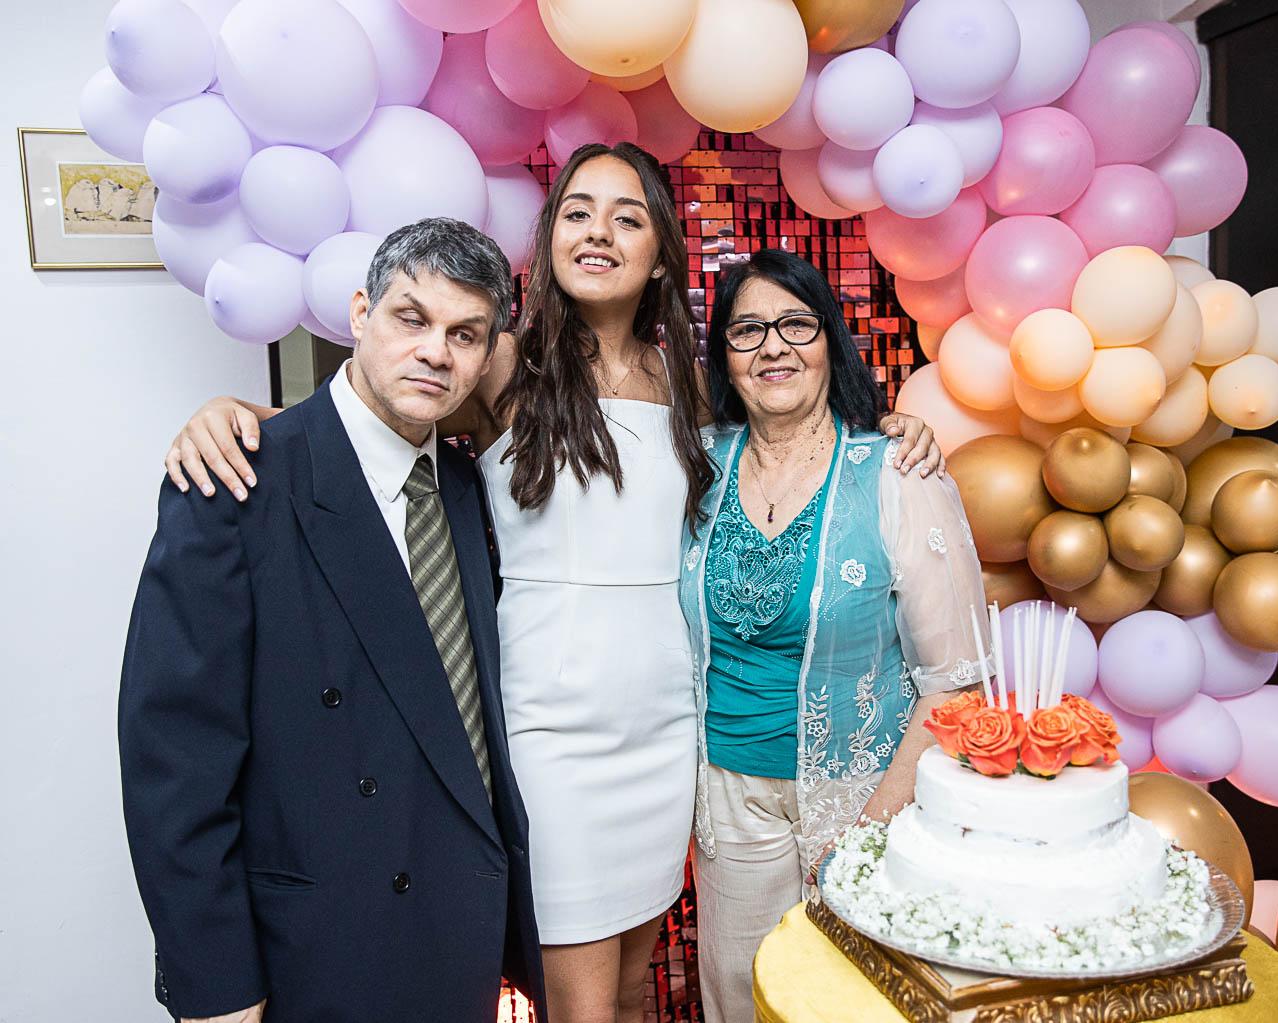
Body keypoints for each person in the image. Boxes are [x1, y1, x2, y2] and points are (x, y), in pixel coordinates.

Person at [160, 143, 944, 1023]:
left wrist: (894, 426)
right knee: (579, 1006)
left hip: (665, 726)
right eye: (577, 211)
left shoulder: (685, 382)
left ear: (659, 254)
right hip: (551, 733)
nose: (597, 232)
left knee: (634, 987)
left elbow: (785, 434)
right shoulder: (499, 361)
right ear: (550, 236)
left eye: (626, 216)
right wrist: (239, 416)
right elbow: (370, 419)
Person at [119, 218, 544, 1023]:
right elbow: (173, 760)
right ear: (359, 313)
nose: (434, 352)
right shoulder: (234, 481)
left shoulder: (463, 487)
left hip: (457, 933)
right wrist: (216, 985)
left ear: (488, 353)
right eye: (411, 318)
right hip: (315, 948)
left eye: (464, 334)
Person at [679, 249, 991, 1022]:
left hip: (866, 798)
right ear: (724, 356)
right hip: (726, 800)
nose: (772, 347)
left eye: (795, 324)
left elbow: (957, 680)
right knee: (742, 998)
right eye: (747, 330)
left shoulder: (896, 470)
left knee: (856, 1005)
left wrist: (869, 832)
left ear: (829, 341)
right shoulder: (695, 466)